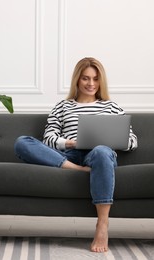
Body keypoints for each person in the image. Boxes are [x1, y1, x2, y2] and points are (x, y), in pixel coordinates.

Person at [14, 57, 138, 253]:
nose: (91, 84)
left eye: (96, 79)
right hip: (69, 155)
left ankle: (102, 225)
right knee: (22, 142)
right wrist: (68, 142)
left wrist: (109, 140)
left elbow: (132, 141)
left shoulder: (111, 107)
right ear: (77, 80)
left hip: (99, 156)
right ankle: (80, 170)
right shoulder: (63, 106)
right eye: (85, 78)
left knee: (101, 151)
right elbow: (48, 137)